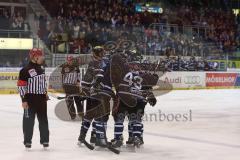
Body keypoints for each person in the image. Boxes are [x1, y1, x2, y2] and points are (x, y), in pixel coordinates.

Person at [17, 48, 49, 149]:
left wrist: (45, 93)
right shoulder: (25, 70)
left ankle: (45, 140)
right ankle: (27, 141)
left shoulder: (41, 68)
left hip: (42, 99)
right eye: (41, 56)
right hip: (30, 99)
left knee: (43, 120)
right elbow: (21, 86)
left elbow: (42, 83)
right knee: (28, 121)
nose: (43, 57)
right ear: (35, 57)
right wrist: (24, 100)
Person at [61, 55, 84, 120]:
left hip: (75, 86)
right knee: (69, 102)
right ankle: (73, 115)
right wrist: (63, 85)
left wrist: (78, 82)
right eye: (68, 60)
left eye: (70, 60)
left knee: (78, 101)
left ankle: (81, 114)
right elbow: (62, 76)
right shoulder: (64, 66)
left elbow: (79, 75)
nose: (69, 62)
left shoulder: (76, 67)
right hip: (67, 86)